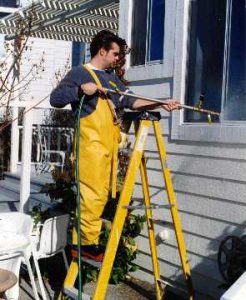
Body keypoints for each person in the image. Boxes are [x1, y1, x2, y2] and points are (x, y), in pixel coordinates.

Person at [50, 30, 180, 262]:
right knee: (91, 195)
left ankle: (87, 242)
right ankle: (84, 245)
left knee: (100, 194)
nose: (118, 58)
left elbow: (131, 101)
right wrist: (80, 90)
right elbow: (56, 99)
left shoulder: (111, 78)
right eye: (115, 53)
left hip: (108, 146)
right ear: (102, 51)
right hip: (89, 146)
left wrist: (162, 104)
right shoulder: (80, 73)